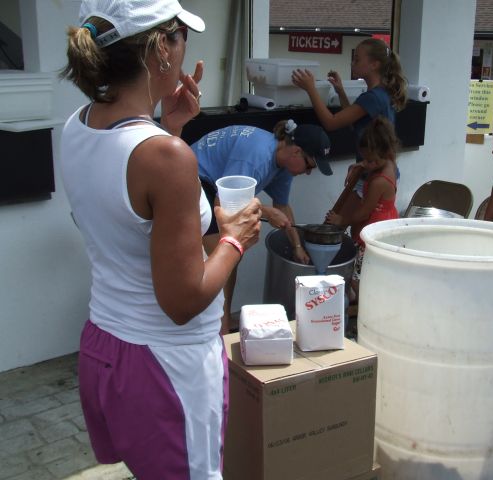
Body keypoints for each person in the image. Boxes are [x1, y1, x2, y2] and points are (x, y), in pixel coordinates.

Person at [59, 1, 261, 478]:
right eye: (181, 36)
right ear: (161, 50)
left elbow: (124, 208)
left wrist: (169, 128)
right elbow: (183, 300)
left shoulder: (77, 125)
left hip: (106, 347)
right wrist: (234, 240)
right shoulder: (164, 157)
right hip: (167, 366)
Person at [191, 119, 332, 333]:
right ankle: (220, 327)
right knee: (223, 256)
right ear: (296, 151)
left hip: (213, 187)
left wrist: (297, 246)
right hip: (196, 180)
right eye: (310, 165)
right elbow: (225, 203)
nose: (309, 172)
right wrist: (266, 212)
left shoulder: (282, 165)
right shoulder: (257, 157)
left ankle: (222, 321)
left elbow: (282, 207)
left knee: (231, 257)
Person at [291, 38, 407, 239]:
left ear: (374, 64)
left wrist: (311, 89)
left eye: (357, 59)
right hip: (376, 168)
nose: (353, 63)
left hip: (372, 174)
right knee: (353, 229)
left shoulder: (372, 97)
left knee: (334, 227)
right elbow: (355, 120)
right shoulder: (381, 94)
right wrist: (340, 91)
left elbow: (331, 122)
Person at [325, 117, 400, 301]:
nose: (367, 163)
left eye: (371, 160)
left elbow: (364, 213)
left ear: (385, 153)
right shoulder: (389, 163)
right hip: (385, 222)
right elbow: (372, 164)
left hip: (373, 232)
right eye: (365, 158)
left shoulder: (379, 182)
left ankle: (365, 306)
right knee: (369, 273)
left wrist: (341, 220)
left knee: (358, 277)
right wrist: (361, 165)